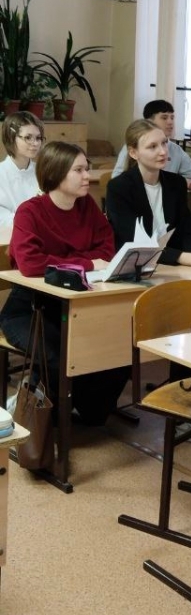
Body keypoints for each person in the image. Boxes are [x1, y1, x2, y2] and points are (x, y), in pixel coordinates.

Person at [0, 141, 129, 425]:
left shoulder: (87, 207)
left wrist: (68, 262)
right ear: (56, 173)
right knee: (60, 356)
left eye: (87, 169)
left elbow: (107, 251)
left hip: (77, 305)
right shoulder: (30, 211)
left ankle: (86, 411)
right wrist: (85, 262)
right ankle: (45, 413)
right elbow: (30, 264)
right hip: (30, 310)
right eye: (78, 170)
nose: (87, 176)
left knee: (119, 350)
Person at [105, 120, 191, 271]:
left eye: (164, 143)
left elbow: (185, 231)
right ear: (133, 153)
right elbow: (134, 243)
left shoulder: (176, 183)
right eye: (152, 147)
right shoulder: (119, 187)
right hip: (135, 268)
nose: (163, 151)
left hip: (173, 265)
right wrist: (188, 258)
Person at [112, 99, 191, 190]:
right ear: (149, 122)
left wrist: (188, 183)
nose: (170, 122)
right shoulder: (135, 147)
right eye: (164, 118)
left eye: (172, 118)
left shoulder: (176, 150)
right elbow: (117, 178)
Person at [0, 111, 43, 226]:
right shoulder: (1, 174)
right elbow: (2, 218)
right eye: (28, 137)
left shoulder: (43, 171)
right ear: (11, 138)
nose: (35, 143)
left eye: (38, 138)